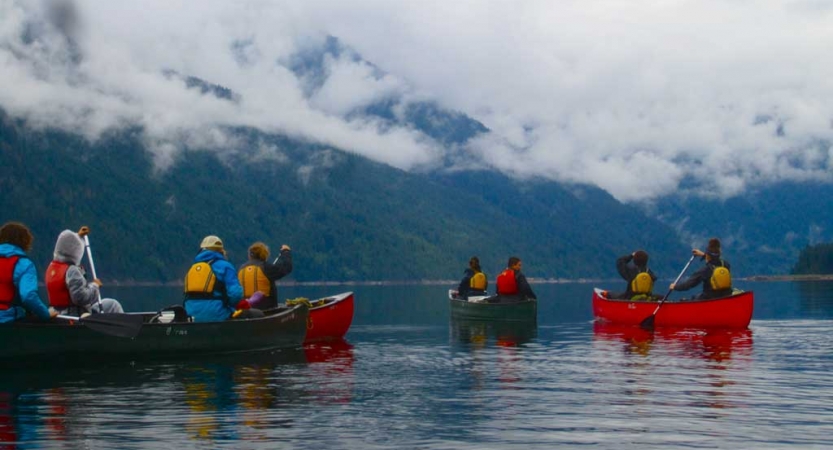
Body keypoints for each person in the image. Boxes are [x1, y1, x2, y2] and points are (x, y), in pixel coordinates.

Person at [45, 227, 124, 315]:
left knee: (109, 303)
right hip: (77, 315)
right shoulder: (71, 271)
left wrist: (78, 236)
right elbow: (80, 298)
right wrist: (95, 286)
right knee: (113, 305)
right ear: (75, 251)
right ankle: (125, 327)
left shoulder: (52, 267)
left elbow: (68, 242)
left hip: (59, 313)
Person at [184, 235, 261, 322]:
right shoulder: (225, 266)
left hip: (191, 316)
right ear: (221, 250)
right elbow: (236, 294)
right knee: (258, 314)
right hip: (218, 316)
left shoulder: (192, 268)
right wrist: (231, 305)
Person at [0, 222, 58, 323]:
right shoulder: (24, 264)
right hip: (7, 320)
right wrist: (46, 314)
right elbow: (28, 296)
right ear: (25, 241)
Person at [237, 241, 293, 310]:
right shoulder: (265, 267)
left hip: (245, 308)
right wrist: (286, 252)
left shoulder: (241, 269)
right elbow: (286, 267)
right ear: (264, 254)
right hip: (266, 309)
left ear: (250, 255)